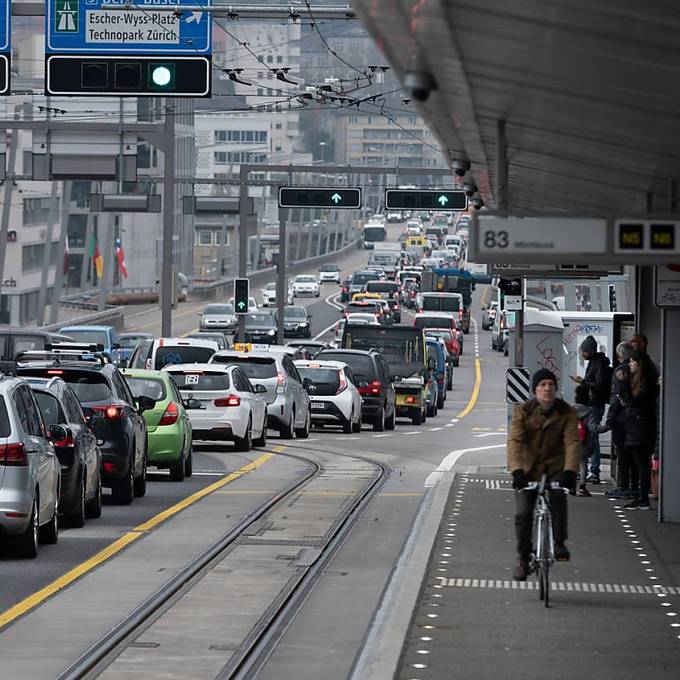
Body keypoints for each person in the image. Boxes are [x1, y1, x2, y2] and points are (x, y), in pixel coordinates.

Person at [508, 369, 583, 581]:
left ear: (556, 389)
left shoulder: (566, 412)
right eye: (542, 385)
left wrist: (570, 470)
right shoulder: (523, 411)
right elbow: (515, 442)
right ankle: (523, 558)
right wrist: (516, 471)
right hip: (528, 469)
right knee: (523, 513)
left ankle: (559, 542)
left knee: (558, 494)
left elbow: (572, 442)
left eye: (551, 384)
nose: (547, 389)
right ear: (535, 390)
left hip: (556, 467)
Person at [621, 351, 659, 510]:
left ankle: (643, 498)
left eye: (632, 362)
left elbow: (634, 401)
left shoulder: (645, 383)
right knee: (639, 464)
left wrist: (623, 384)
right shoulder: (645, 381)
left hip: (640, 428)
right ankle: (640, 496)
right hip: (639, 426)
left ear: (639, 363)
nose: (630, 365)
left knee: (642, 465)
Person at [571, 335, 611, 484]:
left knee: (592, 439)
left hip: (594, 404)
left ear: (590, 351)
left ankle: (594, 471)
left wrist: (583, 382)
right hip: (594, 403)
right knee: (590, 438)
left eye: (584, 351)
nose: (582, 354)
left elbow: (598, 385)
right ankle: (589, 470)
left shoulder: (597, 364)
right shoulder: (596, 362)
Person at [601, 342, 638, 499]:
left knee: (622, 455)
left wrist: (609, 420)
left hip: (621, 420)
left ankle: (624, 487)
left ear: (620, 355)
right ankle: (633, 487)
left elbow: (617, 398)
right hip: (634, 419)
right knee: (633, 456)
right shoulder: (637, 370)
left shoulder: (620, 371)